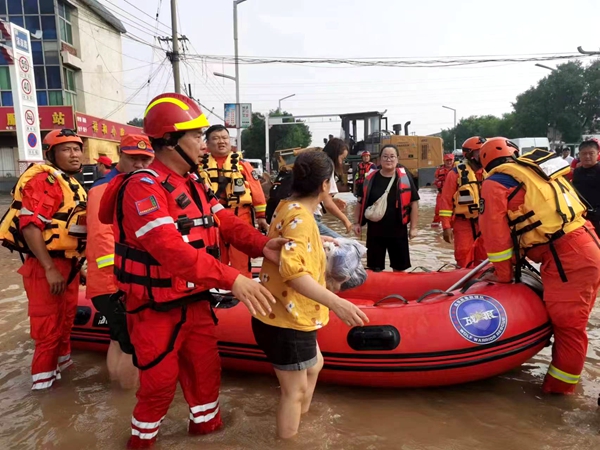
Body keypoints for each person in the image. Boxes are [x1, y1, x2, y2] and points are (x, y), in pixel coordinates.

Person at [98, 93, 287, 448]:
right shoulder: (143, 189)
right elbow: (172, 252)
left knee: (205, 377)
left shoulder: (194, 182)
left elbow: (226, 222)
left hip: (195, 302)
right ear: (170, 141)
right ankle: (141, 443)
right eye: (196, 136)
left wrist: (263, 245)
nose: (204, 143)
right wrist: (234, 279)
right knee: (158, 386)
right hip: (154, 309)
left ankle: (207, 437)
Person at [255, 150, 368, 439]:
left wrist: (321, 239)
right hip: (286, 317)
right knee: (294, 391)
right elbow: (294, 273)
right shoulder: (302, 219)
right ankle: (289, 440)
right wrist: (337, 302)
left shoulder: (287, 206)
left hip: (284, 312)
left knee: (315, 364)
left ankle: (299, 424)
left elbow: (291, 245)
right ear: (324, 186)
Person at [478, 137, 600, 395]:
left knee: (569, 329)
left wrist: (503, 276)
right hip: (587, 243)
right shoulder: (535, 170)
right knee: (574, 325)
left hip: (568, 256)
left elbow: (496, 238)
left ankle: (558, 396)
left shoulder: (495, 183)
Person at [0, 129, 87, 390]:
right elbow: (30, 226)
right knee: (48, 328)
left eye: (77, 148)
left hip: (68, 265)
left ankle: (62, 377)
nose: (74, 154)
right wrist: (49, 268)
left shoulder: (71, 183)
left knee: (65, 322)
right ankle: (43, 392)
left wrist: (78, 266)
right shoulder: (44, 181)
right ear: (52, 154)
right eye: (66, 149)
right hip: (46, 265)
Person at [86, 134, 154, 389]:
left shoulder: (130, 184)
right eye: (132, 158)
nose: (139, 164)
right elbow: (102, 236)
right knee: (131, 343)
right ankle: (127, 398)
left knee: (117, 339)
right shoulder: (105, 187)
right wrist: (122, 279)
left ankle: (116, 390)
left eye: (145, 159)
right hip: (113, 282)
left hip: (112, 280)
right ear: (120, 156)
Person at [200, 125, 268, 278]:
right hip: (212, 219)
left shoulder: (242, 165)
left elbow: (257, 192)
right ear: (208, 144)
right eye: (216, 138)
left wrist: (261, 217)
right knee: (214, 255)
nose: (221, 142)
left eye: (224, 138)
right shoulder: (198, 166)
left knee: (241, 257)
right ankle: (217, 288)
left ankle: (243, 293)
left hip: (240, 217)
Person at [353, 144, 419, 272]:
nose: (389, 160)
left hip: (398, 230)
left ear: (397, 159)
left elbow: (414, 203)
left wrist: (413, 228)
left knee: (400, 268)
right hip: (375, 232)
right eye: (385, 157)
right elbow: (360, 202)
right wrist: (356, 223)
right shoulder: (370, 179)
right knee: (374, 268)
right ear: (379, 160)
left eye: (392, 157)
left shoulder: (405, 178)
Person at [439, 136, 487, 268]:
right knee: (463, 255)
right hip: (463, 222)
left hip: (485, 222)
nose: (485, 155)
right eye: (481, 152)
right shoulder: (455, 174)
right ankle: (463, 283)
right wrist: (446, 227)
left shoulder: (490, 172)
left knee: (485, 255)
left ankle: (485, 284)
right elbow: (446, 202)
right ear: (471, 154)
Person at [316, 138, 353, 238]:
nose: (341, 163)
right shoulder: (328, 167)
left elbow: (319, 194)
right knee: (345, 245)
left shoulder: (316, 164)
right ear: (335, 155)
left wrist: (332, 199)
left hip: (299, 215)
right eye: (342, 158)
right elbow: (328, 203)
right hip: (312, 217)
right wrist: (345, 220)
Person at [572, 138, 600, 236]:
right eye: (584, 154)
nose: (587, 156)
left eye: (591, 153)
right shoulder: (577, 172)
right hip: (581, 217)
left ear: (597, 153)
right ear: (579, 155)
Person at [432, 153, 455, 227]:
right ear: (444, 161)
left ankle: (450, 225)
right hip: (441, 193)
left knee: (453, 210)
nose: (449, 162)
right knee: (438, 209)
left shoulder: (457, 169)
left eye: (450, 160)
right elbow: (436, 179)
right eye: (447, 160)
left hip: (453, 194)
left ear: (453, 160)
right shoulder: (439, 170)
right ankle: (436, 226)